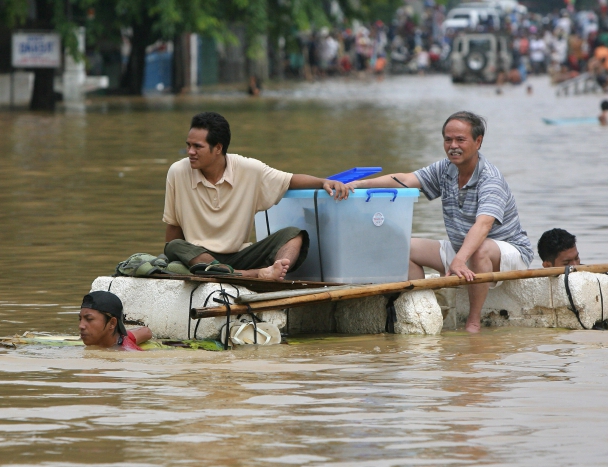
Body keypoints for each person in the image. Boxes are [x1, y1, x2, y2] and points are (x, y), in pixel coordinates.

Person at [349, 111, 533, 333]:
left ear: (478, 142)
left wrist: (459, 260)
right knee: (400, 246)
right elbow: (406, 180)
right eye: (448, 139)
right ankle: (424, 309)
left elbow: (483, 225)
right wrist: (357, 185)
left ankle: (473, 323)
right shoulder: (445, 169)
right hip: (461, 248)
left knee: (479, 249)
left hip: (507, 252)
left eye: (460, 140)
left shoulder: (490, 179)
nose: (453, 145)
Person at [163, 112, 350, 281]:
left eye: (197, 147)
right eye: (188, 145)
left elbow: (290, 179)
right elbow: (173, 225)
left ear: (218, 148)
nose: (190, 152)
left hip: (239, 255)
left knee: (294, 235)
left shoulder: (249, 169)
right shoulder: (177, 172)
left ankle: (275, 271)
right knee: (174, 246)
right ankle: (254, 275)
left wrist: (323, 182)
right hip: (198, 256)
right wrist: (168, 258)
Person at [79, 291, 152, 350]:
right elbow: (146, 331)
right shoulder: (125, 338)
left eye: (89, 319)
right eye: (80, 319)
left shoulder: (126, 354)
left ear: (112, 323)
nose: (81, 326)